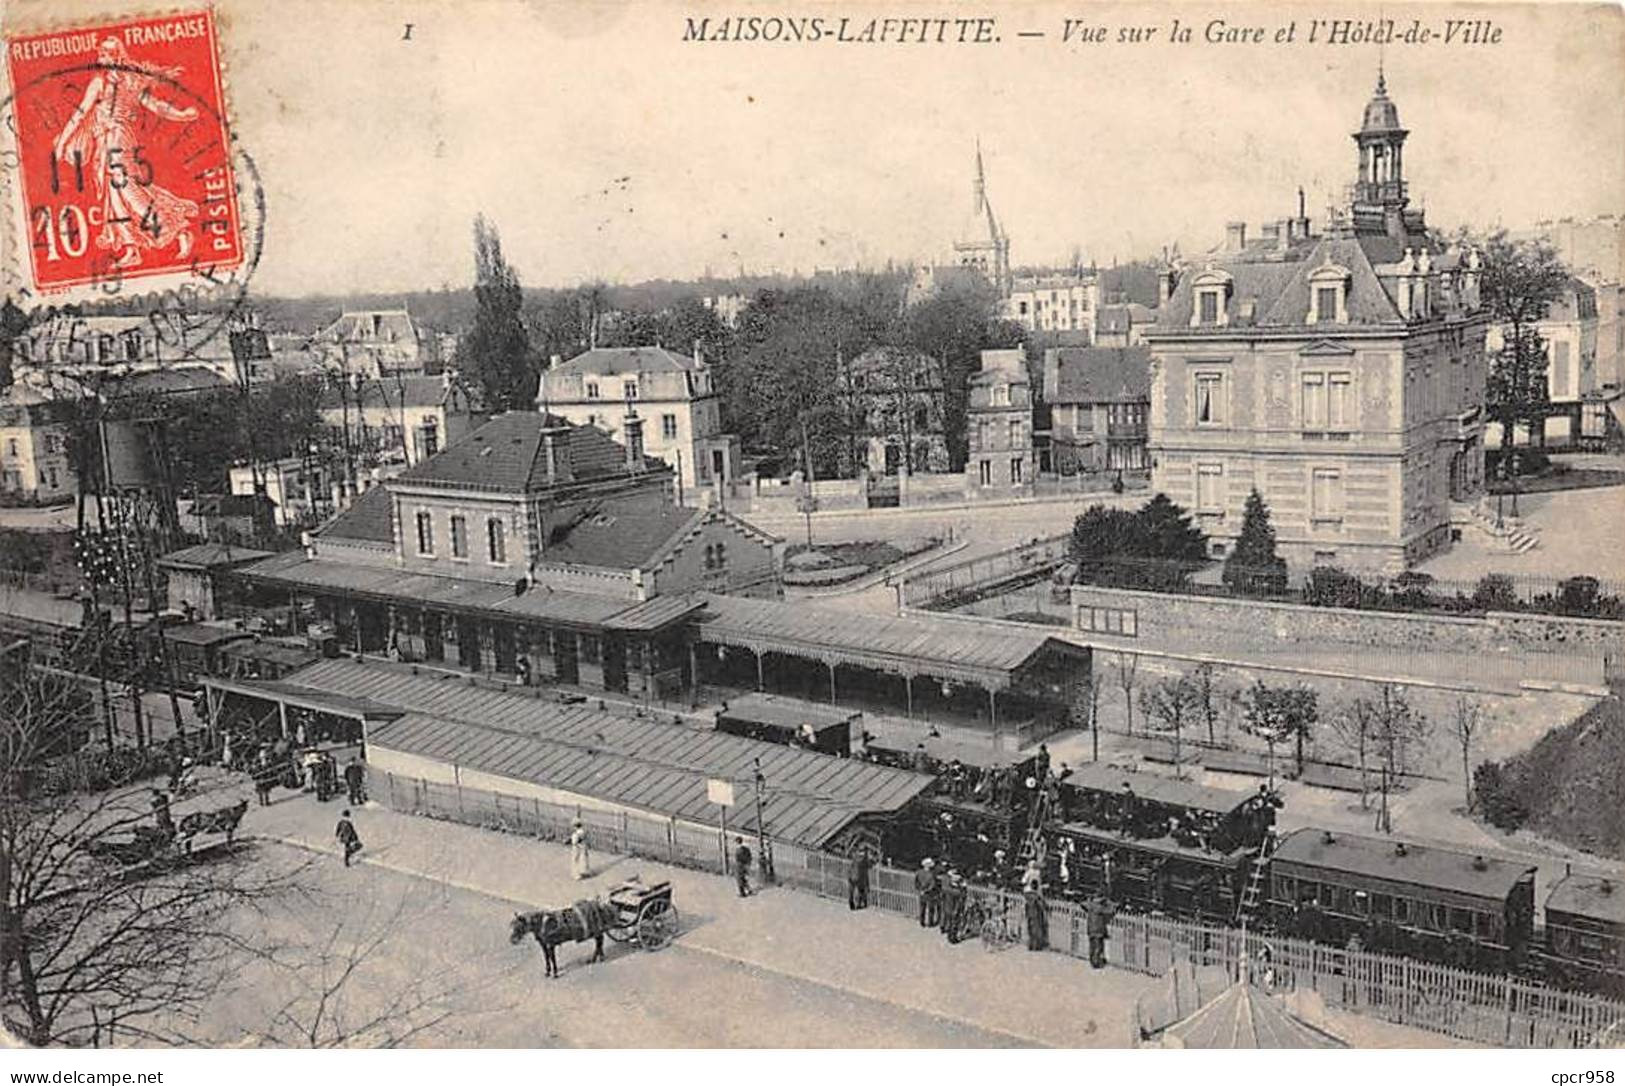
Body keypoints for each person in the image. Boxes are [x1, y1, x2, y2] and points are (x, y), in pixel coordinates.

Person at [52, 37, 201, 271]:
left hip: (117, 139)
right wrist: (180, 115)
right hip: (107, 141)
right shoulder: (128, 81)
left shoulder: (107, 82)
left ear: (116, 57)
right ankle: (131, 249)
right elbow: (155, 105)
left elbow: (81, 114)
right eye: (100, 55)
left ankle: (176, 231)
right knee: (114, 195)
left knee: (129, 191)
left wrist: (62, 142)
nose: (100, 59)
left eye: (104, 55)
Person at [1085, 893, 1114, 968]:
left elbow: (1083, 904)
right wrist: (1109, 902)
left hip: (1090, 929)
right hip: (1098, 930)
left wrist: (1089, 900)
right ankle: (1096, 962)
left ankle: (1092, 960)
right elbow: (1111, 910)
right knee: (1098, 947)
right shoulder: (1100, 908)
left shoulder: (1091, 905)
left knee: (1092, 946)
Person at [941, 870, 967, 944]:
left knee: (951, 922)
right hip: (954, 908)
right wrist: (963, 888)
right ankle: (952, 937)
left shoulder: (947, 887)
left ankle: (950, 935)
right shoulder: (955, 890)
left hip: (948, 907)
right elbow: (961, 895)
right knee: (954, 923)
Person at [913, 858, 939, 927]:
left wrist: (919, 890)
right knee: (931, 908)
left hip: (921, 892)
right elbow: (932, 885)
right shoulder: (932, 874)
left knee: (922, 908)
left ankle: (922, 922)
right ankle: (930, 923)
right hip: (930, 893)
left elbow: (916, 882)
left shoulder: (919, 872)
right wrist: (927, 890)